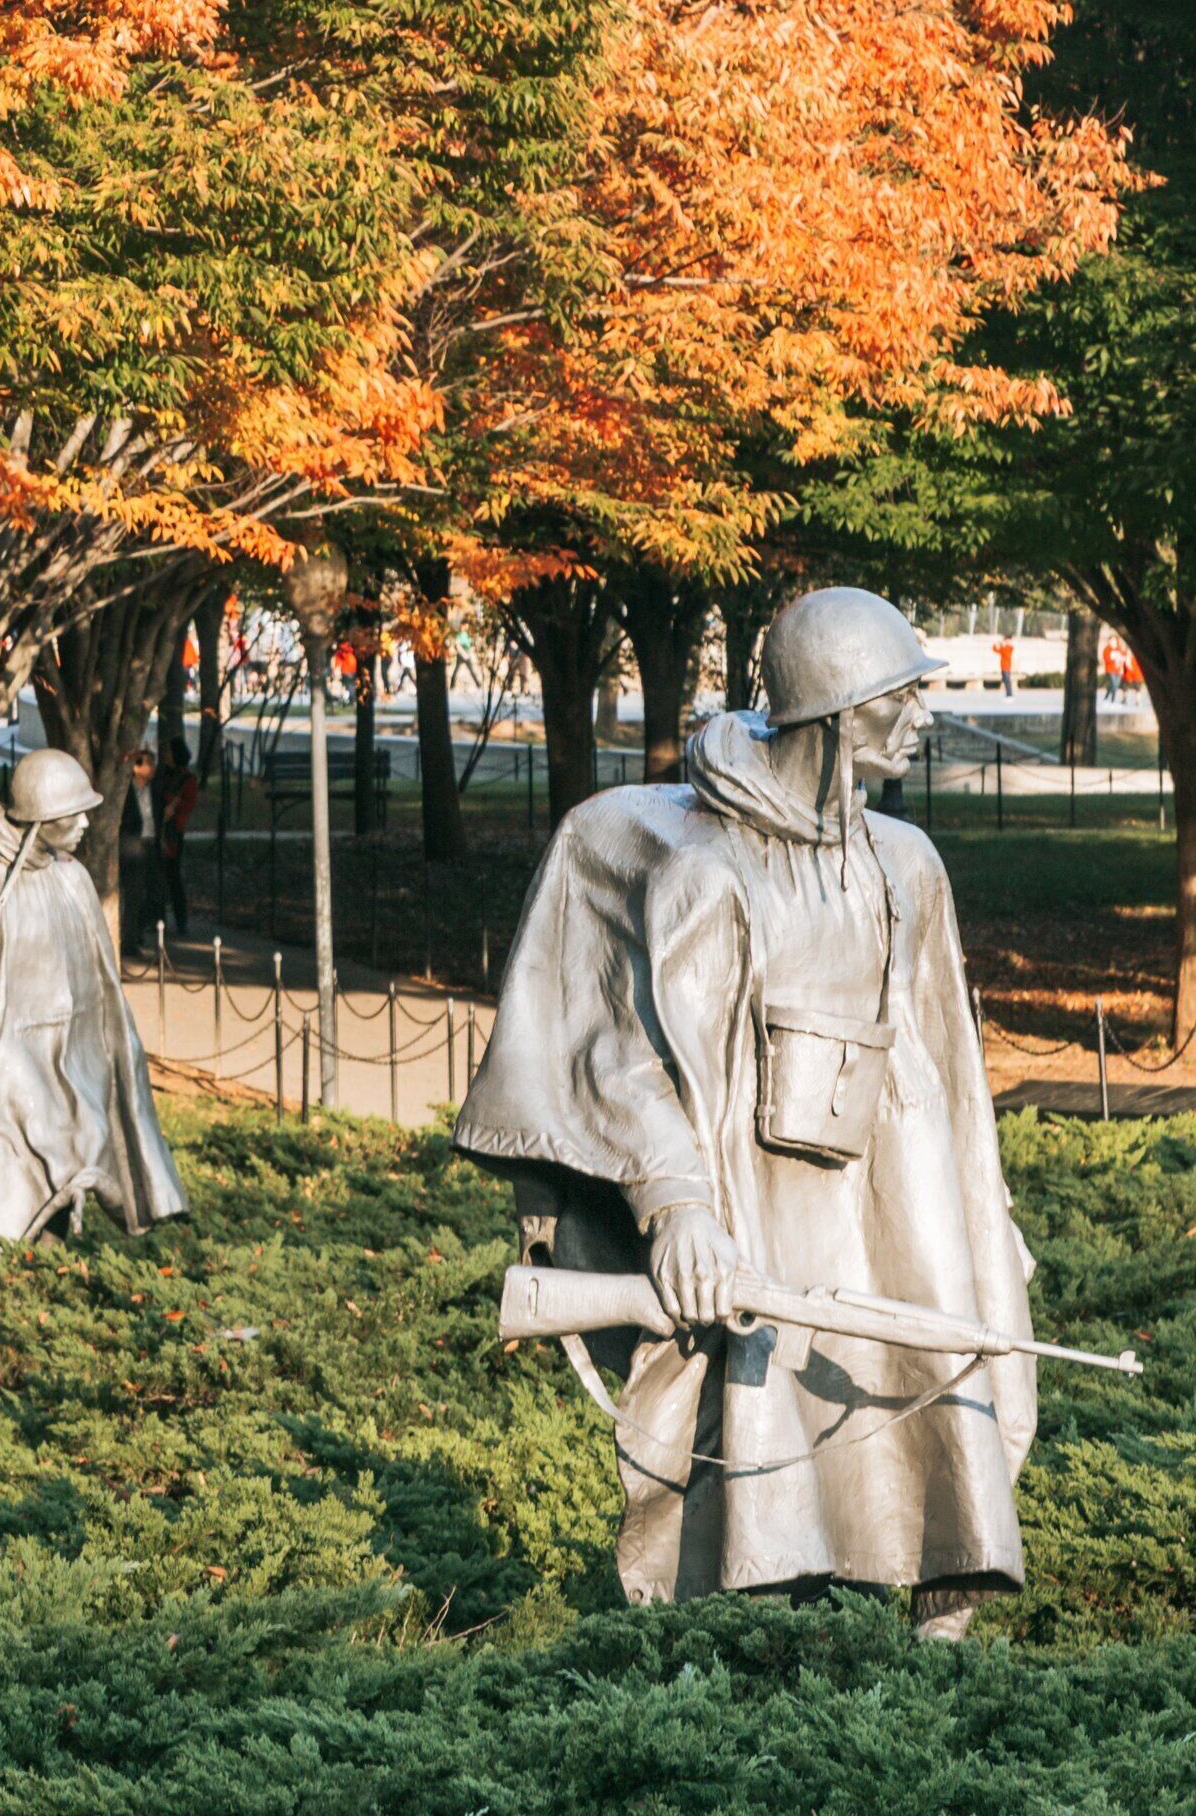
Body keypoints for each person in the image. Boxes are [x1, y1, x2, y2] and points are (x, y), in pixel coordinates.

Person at [453, 587, 1038, 1637]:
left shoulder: (908, 862)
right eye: (899, 698)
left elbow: (946, 1064)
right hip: (745, 1193)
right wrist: (673, 1202)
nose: (924, 719)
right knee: (762, 1419)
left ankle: (940, 1591)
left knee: (930, 1375)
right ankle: (757, 1615)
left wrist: (980, 1209)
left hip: (894, 1193)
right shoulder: (690, 859)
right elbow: (618, 1050)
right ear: (834, 714)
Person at [0, 748, 188, 1281]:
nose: (83, 824)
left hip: (69, 1061)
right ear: (36, 819)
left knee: (74, 1161)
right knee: (7, 1165)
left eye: (83, 811)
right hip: (6, 1068)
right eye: (68, 815)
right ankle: (0, 1268)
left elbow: (98, 986)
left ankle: (46, 1264)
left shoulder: (70, 878)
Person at [119, 746, 199, 941]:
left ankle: (141, 926)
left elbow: (161, 814)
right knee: (134, 890)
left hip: (152, 844)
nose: (154, 768)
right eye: (149, 764)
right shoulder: (126, 792)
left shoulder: (154, 790)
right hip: (134, 843)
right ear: (137, 768)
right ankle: (131, 937)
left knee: (156, 890)